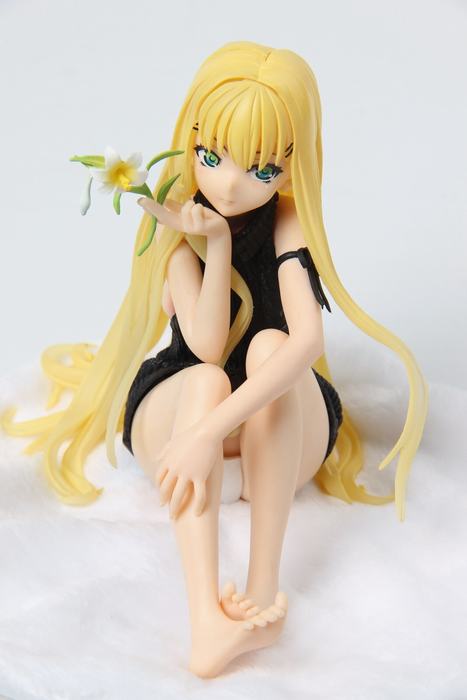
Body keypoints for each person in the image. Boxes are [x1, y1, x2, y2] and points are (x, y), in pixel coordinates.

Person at [1, 41, 429, 678]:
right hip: (182, 416)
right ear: (191, 140)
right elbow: (204, 345)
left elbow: (307, 342)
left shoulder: (289, 222)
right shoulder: (178, 219)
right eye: (212, 157)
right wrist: (217, 244)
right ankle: (206, 621)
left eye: (262, 168)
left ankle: (261, 594)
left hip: (272, 433)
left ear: (293, 165)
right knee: (204, 377)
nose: (229, 183)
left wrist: (210, 433)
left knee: (271, 345)